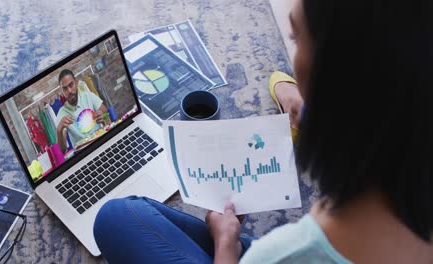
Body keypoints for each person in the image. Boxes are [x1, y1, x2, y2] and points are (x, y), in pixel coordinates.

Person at [93, 0, 432, 263]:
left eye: (296, 38)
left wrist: (227, 247)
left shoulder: (285, 253)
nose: (293, 56)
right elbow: (278, 80)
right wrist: (294, 95)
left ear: (333, 73)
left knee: (114, 218)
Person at [56, 69, 108, 153]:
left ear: (76, 83)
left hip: (102, 143)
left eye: (71, 85)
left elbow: (105, 110)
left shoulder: (88, 96)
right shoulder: (61, 114)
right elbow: (62, 150)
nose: (69, 91)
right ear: (62, 91)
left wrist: (102, 115)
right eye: (65, 88)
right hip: (83, 154)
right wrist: (59, 130)